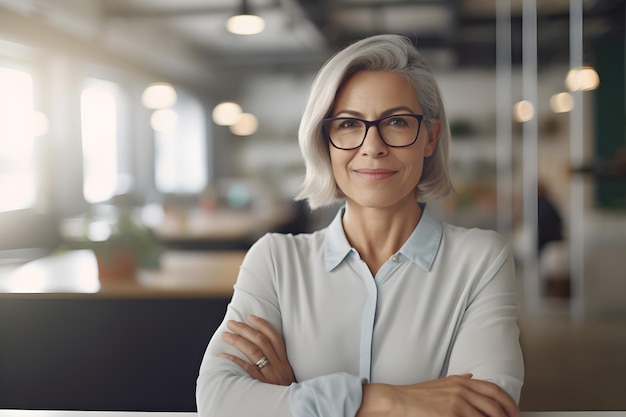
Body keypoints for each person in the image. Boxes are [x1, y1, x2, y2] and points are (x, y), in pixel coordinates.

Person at [196, 34, 524, 417]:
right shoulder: (274, 260)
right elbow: (219, 402)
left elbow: (487, 408)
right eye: (349, 124)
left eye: (398, 121)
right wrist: (387, 399)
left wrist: (297, 400)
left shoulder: (481, 259)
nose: (372, 146)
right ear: (326, 140)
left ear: (430, 138)